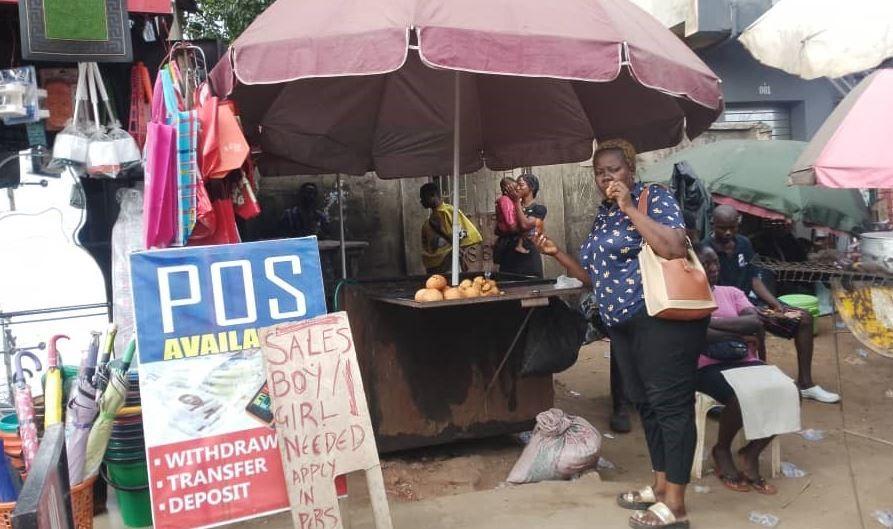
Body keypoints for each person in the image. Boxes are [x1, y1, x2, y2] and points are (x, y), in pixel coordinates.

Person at [534, 139, 707, 529]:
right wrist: (556, 253)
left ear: (630, 169)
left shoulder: (652, 198)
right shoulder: (604, 215)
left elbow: (675, 247)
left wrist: (629, 206)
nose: (606, 177)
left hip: (662, 320)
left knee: (671, 407)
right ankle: (661, 486)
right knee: (645, 404)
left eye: (613, 169)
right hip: (623, 324)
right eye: (600, 172)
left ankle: (676, 505)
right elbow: (596, 279)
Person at [694, 242, 799, 496]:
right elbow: (700, 334)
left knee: (791, 391)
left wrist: (714, 322)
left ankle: (751, 452)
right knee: (742, 394)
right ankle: (721, 449)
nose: (713, 268)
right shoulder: (687, 300)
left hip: (745, 361)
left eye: (715, 262)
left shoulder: (731, 292)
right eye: (705, 263)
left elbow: (754, 322)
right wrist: (735, 330)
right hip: (708, 367)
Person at [709, 205, 840, 403]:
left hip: (749, 305)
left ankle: (806, 384)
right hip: (724, 312)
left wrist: (776, 304)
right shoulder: (705, 250)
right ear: (712, 224)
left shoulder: (744, 243)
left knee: (803, 318)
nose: (728, 232)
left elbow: (754, 279)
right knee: (755, 325)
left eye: (732, 227)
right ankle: (763, 382)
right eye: (722, 228)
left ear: (738, 224)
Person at [419, 183, 483, 274]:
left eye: (423, 198)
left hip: (449, 263)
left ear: (432, 195)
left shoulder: (449, 211)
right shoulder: (428, 222)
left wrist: (458, 250)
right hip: (434, 265)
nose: (421, 201)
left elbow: (464, 233)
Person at [495, 173, 547, 278]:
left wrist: (516, 202)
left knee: (531, 290)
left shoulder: (539, 209)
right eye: (516, 185)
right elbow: (498, 230)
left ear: (531, 188)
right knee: (508, 290)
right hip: (508, 258)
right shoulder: (510, 205)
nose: (517, 188)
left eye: (521, 185)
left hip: (528, 260)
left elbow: (524, 225)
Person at [495, 177, 530, 255]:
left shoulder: (511, 200)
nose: (516, 191)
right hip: (510, 237)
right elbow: (511, 223)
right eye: (513, 189)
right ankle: (519, 246)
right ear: (507, 190)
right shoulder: (505, 200)